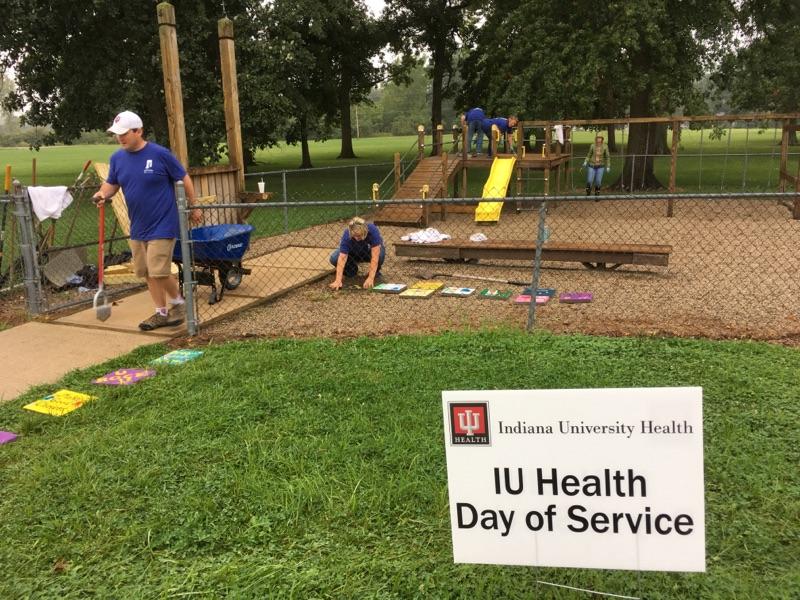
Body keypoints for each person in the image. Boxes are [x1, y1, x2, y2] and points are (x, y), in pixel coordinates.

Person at [93, 110, 202, 331]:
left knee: (158, 270)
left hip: (163, 222)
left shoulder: (160, 154)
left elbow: (183, 177)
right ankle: (163, 312)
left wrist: (194, 205)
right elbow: (112, 183)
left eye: (124, 133)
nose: (120, 137)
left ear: (138, 131)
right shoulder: (117, 158)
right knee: (145, 272)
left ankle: (178, 304)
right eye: (117, 134)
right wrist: (102, 193)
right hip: (138, 225)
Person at [329, 217, 385, 290]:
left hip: (368, 252)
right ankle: (351, 270)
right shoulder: (347, 234)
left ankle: (375, 273)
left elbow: (375, 256)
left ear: (365, 230)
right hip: (353, 252)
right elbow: (342, 257)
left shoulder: (372, 230)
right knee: (334, 258)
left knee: (380, 255)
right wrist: (338, 280)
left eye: (359, 235)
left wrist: (370, 278)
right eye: (354, 235)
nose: (356, 238)